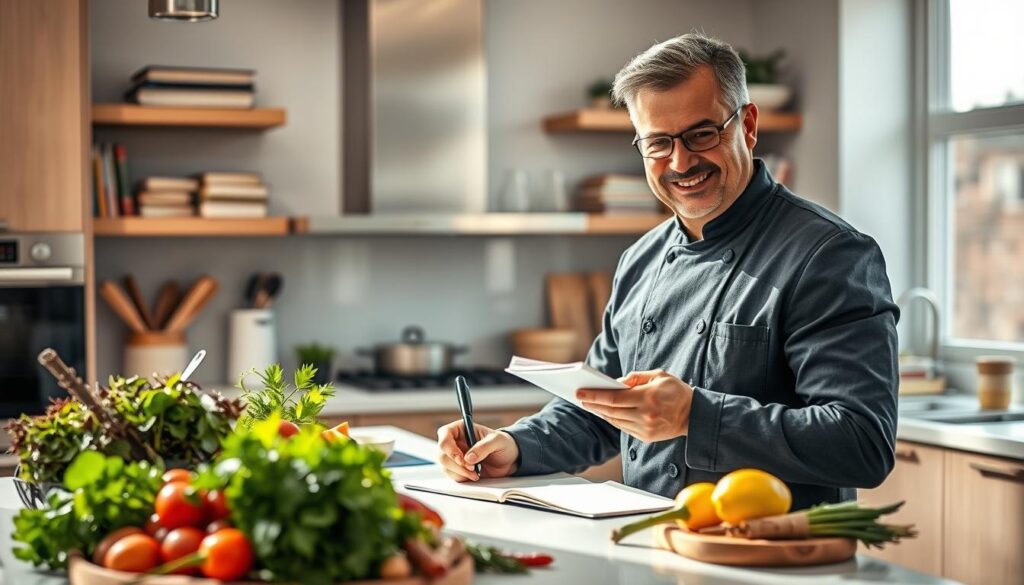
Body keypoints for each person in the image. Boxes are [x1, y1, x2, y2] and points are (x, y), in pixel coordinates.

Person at [437, 32, 898, 510]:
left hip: (776, 561)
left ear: (749, 125)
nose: (681, 162)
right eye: (658, 143)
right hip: (653, 546)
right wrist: (515, 447)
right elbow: (602, 409)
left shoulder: (829, 254)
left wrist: (696, 416)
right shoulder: (641, 259)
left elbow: (861, 441)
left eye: (702, 134)